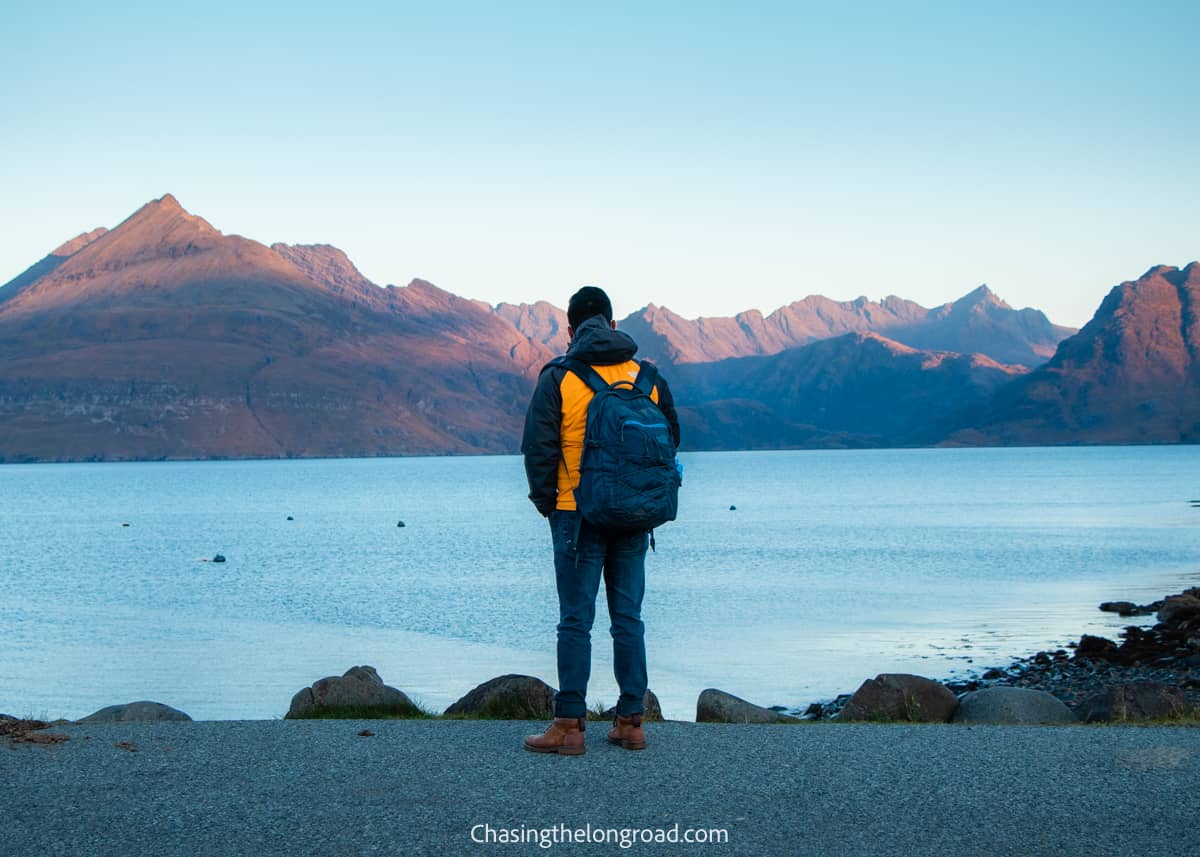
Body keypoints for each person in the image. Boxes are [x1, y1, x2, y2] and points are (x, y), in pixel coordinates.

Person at [520, 285, 680, 755]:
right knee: (628, 618)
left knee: (576, 620)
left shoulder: (560, 377)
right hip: (634, 516)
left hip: (576, 516)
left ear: (570, 330)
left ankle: (569, 726)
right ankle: (631, 721)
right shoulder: (645, 375)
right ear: (612, 324)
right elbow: (671, 438)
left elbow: (539, 449)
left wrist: (548, 503)